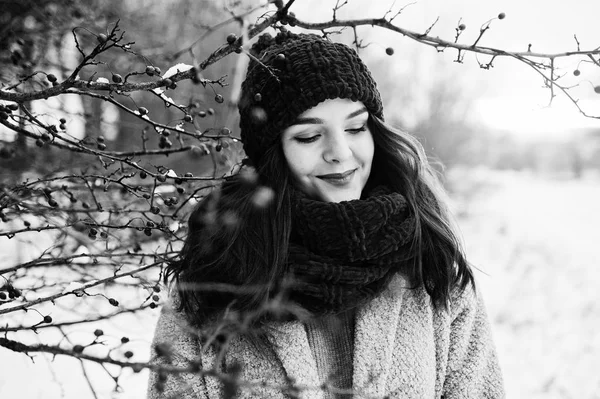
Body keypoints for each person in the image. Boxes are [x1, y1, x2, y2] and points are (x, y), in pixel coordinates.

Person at [147, 30, 504, 399]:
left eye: (355, 127)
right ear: (273, 155)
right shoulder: (214, 282)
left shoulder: (431, 267)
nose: (340, 152)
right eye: (308, 136)